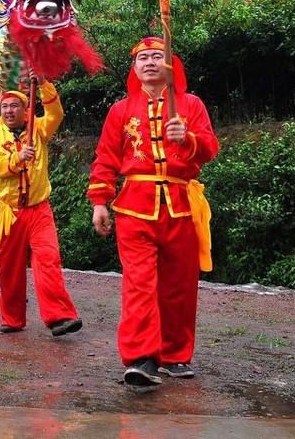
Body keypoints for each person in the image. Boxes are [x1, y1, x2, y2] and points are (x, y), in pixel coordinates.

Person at [88, 37, 219, 387]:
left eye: (157, 57)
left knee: (179, 284)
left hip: (181, 205)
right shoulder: (120, 110)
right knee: (139, 285)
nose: (149, 62)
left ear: (170, 66)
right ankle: (142, 358)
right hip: (134, 206)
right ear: (134, 68)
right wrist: (100, 201)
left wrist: (187, 137)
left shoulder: (191, 105)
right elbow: (105, 159)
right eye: (142, 58)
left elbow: (209, 148)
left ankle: (175, 354)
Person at [0, 85, 82, 336]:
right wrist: (17, 158)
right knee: (10, 267)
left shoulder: (37, 127)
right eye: (4, 106)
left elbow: (55, 114)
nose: (8, 110)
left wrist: (44, 84)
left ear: (26, 111)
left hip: (40, 209)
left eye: (14, 106)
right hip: (10, 212)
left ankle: (59, 316)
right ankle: (12, 318)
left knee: (48, 258)